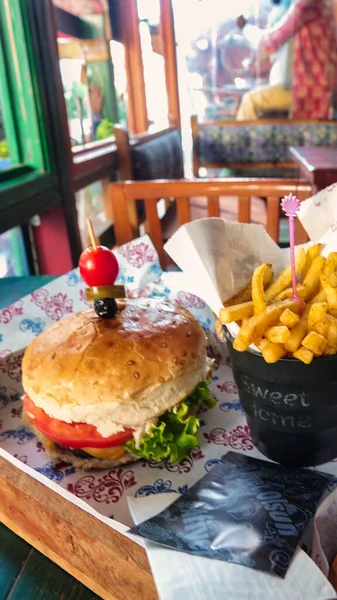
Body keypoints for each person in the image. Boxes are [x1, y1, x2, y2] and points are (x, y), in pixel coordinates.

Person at [237, 0, 337, 120]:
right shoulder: (321, 4)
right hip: (319, 87)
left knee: (250, 101)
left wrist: (245, 29)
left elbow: (270, 42)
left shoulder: (306, 5)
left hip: (310, 90)